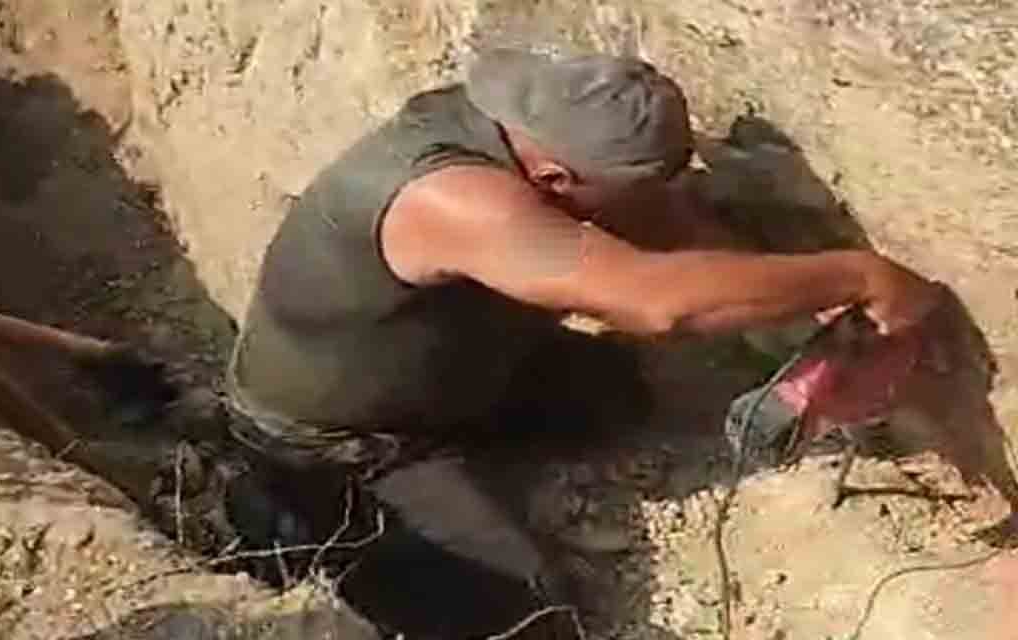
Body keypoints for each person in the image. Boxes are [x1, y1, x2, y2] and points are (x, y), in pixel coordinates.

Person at [220, 48, 944, 638]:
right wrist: (859, 275)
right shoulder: (452, 198)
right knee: (525, 619)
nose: (665, 198)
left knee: (623, 395)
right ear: (556, 179)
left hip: (466, 375)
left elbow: (671, 232)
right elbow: (655, 303)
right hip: (340, 445)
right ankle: (281, 517)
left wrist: (809, 320)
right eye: (641, 187)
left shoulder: (524, 127)